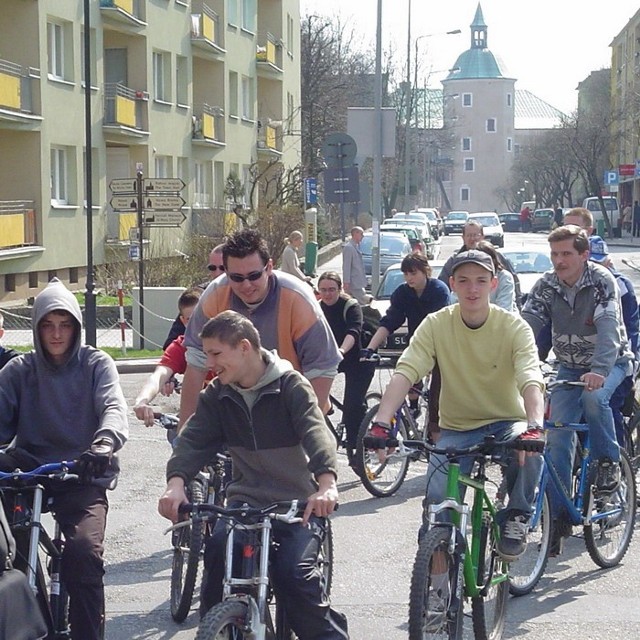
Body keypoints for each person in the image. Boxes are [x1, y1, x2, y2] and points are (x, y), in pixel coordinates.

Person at [158, 311, 349, 638]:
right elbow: (193, 440)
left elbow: (316, 432)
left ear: (244, 347)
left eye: (216, 354)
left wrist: (327, 484)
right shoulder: (218, 394)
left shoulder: (290, 386)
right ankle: (217, 628)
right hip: (245, 503)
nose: (210, 363)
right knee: (217, 556)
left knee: (296, 576)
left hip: (297, 505)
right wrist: (175, 484)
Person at [367, 250, 545, 562]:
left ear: (493, 284)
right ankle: (436, 594)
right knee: (438, 510)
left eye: (480, 281)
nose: (472, 289)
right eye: (463, 281)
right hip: (457, 428)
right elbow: (406, 371)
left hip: (507, 422)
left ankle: (517, 516)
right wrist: (382, 421)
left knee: (529, 453)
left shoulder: (514, 327)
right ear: (452, 284)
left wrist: (533, 426)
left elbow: (530, 377)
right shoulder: (436, 325)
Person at [0, 278, 128, 640]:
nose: (56, 334)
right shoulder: (19, 371)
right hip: (26, 475)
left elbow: (113, 407)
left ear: (76, 326)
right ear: (37, 327)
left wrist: (104, 444)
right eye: (47, 325)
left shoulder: (96, 364)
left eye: (65, 324)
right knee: (7, 551)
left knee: (84, 554)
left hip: (82, 472)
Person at [522, 225, 633, 555]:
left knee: (594, 397)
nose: (559, 261)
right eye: (555, 254)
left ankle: (608, 464)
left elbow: (610, 330)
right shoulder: (546, 286)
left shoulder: (601, 281)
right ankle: (558, 515)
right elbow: (526, 326)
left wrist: (599, 371)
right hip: (568, 366)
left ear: (584, 255)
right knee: (556, 434)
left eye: (567, 254)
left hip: (610, 362)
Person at [179, 228, 341, 426]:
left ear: (269, 267)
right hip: (237, 405)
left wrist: (303, 429)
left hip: (293, 402)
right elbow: (196, 364)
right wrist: (184, 432)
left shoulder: (298, 299)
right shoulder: (215, 294)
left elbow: (322, 369)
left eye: (254, 275)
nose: (246, 285)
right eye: (236, 278)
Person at [362, 253, 450, 436]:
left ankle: (435, 430)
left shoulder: (439, 290)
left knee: (438, 393)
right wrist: (370, 348)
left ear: (425, 271)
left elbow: (440, 323)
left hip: (440, 344)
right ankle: (413, 406)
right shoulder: (402, 293)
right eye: (406, 274)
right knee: (407, 374)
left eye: (413, 273)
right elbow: (389, 322)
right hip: (416, 345)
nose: (409, 278)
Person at [317, 271, 376, 467]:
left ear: (340, 289)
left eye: (332, 290)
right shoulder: (317, 309)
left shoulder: (350, 307)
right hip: (334, 359)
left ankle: (358, 449)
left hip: (359, 359)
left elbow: (353, 331)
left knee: (352, 405)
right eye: (323, 290)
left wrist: (341, 350)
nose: (327, 294)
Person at [134, 288, 212, 428]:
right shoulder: (181, 346)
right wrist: (142, 402)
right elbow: (159, 376)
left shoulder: (228, 342)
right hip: (200, 418)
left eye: (202, 317)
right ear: (183, 321)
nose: (198, 325)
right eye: (190, 320)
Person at [588, 236, 639, 447]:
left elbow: (631, 327)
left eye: (599, 262)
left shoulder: (620, 286)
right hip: (581, 364)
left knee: (607, 403)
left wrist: (634, 362)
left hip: (617, 361)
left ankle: (615, 461)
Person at [163, 244, 225, 349]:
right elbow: (170, 344)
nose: (217, 273)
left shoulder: (245, 294)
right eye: (212, 268)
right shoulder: (199, 296)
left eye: (223, 268)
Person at [342, 226, 368, 305]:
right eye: (361, 234)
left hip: (358, 282)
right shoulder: (349, 248)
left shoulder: (356, 246)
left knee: (358, 303)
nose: (363, 236)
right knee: (363, 302)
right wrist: (346, 282)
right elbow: (346, 266)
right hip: (354, 284)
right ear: (355, 234)